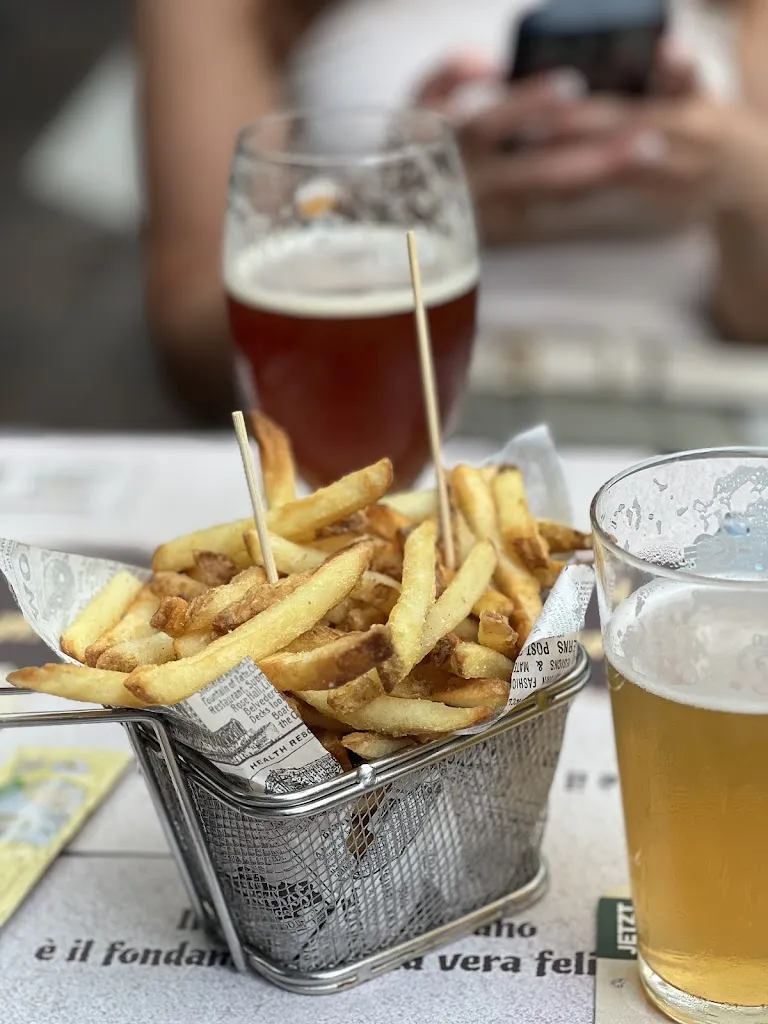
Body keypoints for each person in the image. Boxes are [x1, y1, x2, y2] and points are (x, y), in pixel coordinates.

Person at [138, 0, 768, 421]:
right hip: (380, 423)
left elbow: (754, 322)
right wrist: (382, 224)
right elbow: (195, 349)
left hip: (698, 409)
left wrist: (741, 179)